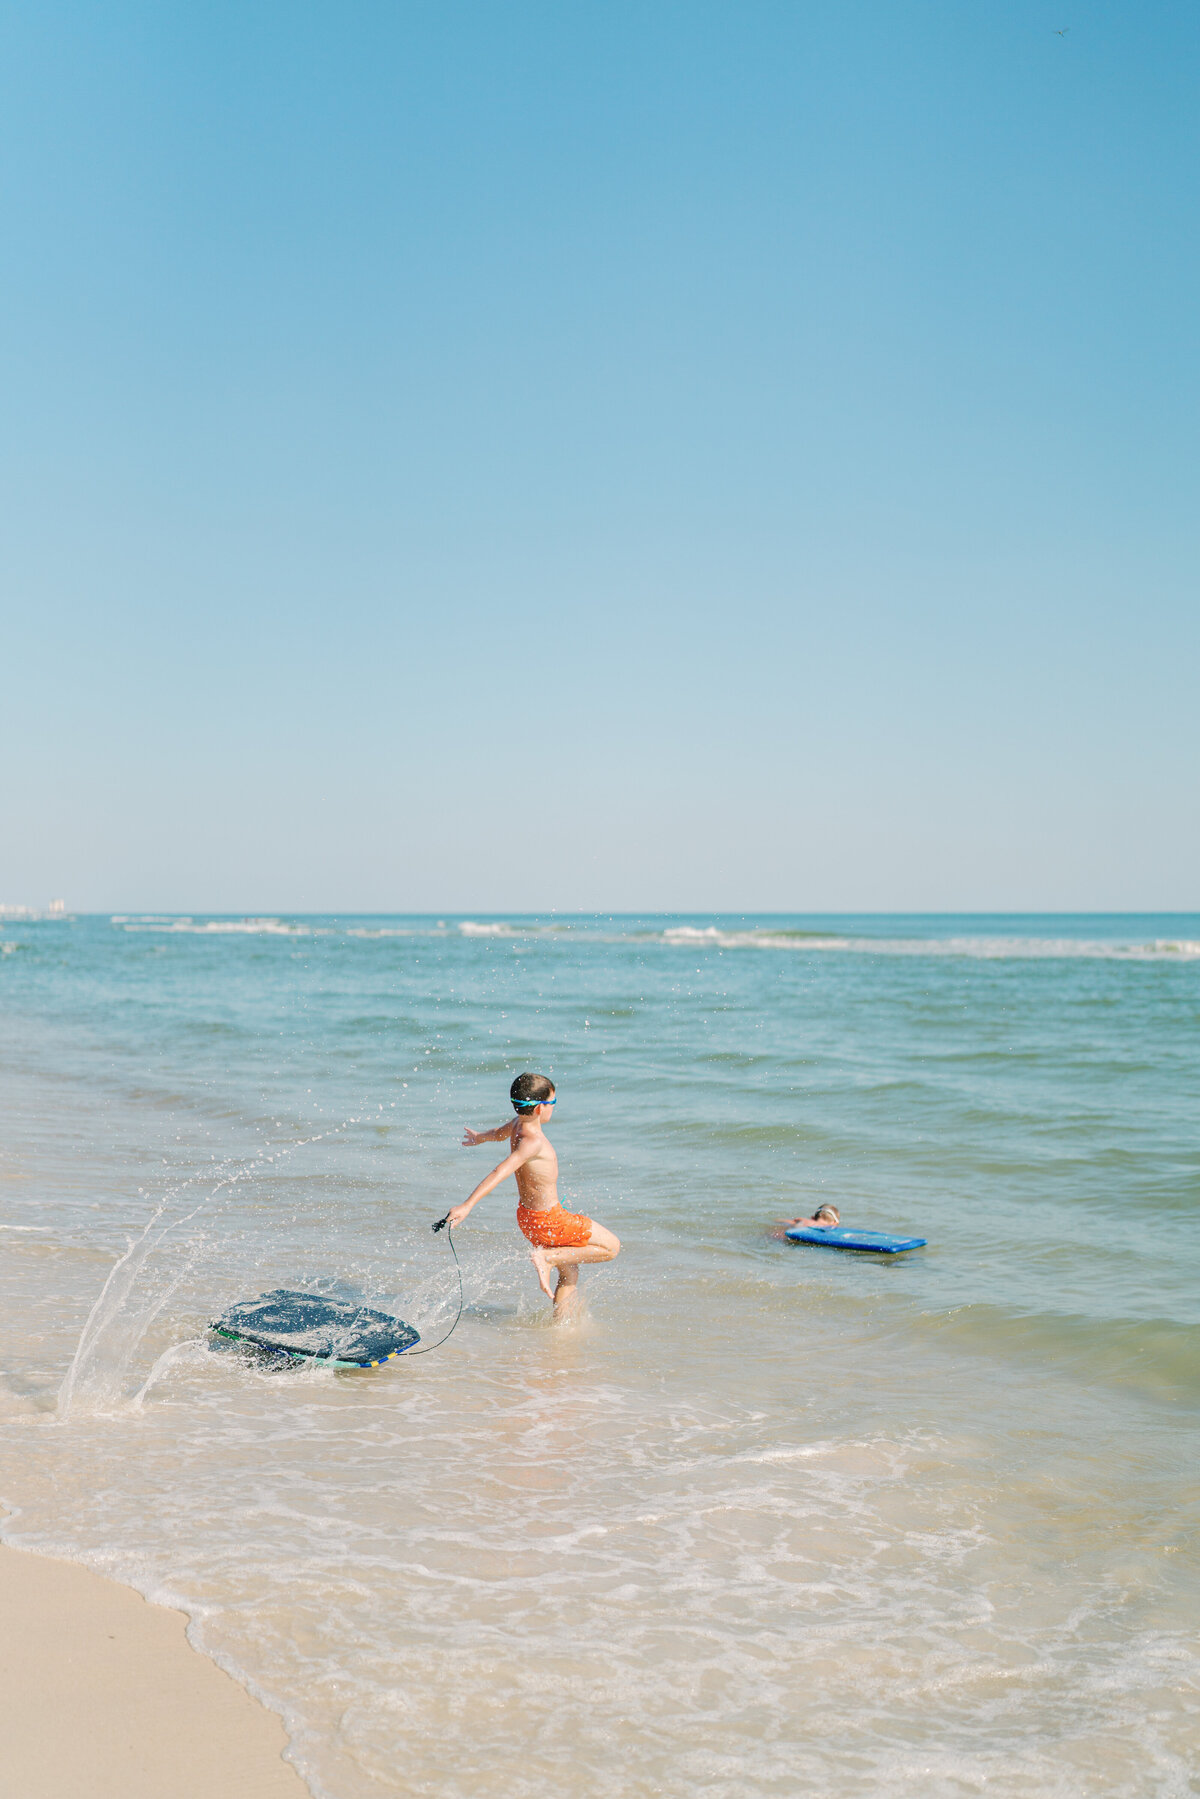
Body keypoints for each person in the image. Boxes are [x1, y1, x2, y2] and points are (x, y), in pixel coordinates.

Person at [448, 1073, 621, 1318]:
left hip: (529, 1219)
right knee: (611, 1247)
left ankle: (560, 1329)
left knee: (569, 1270)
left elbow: (499, 1132)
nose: (554, 1107)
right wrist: (467, 1205)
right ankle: (547, 1258)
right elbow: (501, 1171)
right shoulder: (534, 1142)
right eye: (553, 1102)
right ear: (541, 1108)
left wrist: (480, 1138)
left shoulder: (517, 1126)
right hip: (550, 1220)